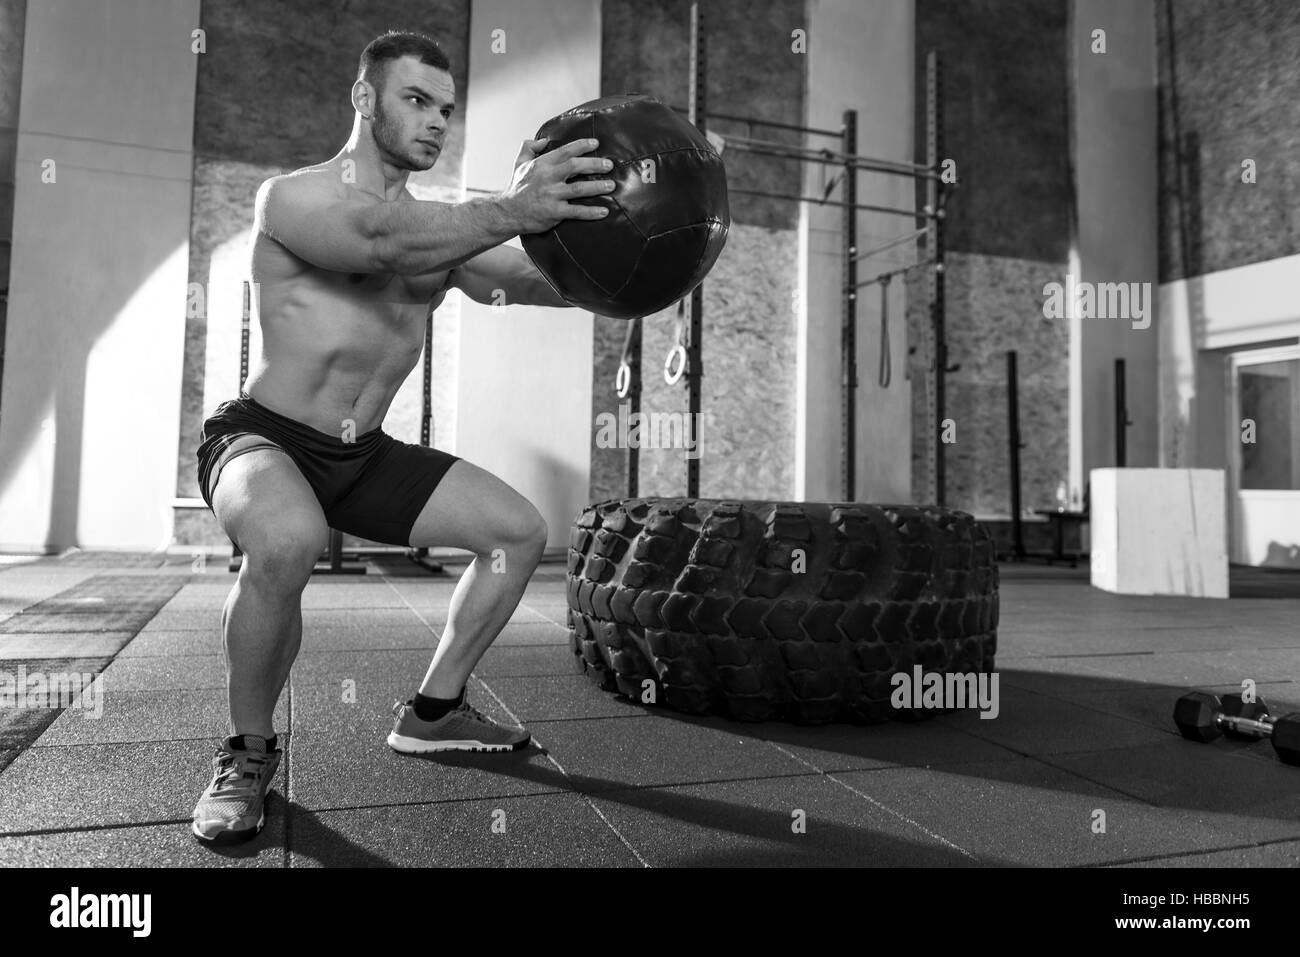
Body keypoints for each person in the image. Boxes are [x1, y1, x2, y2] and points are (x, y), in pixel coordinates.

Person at [190, 30, 614, 844]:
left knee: (516, 534)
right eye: (415, 100)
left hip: (364, 453)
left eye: (446, 110)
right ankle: (245, 751)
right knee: (288, 538)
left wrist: (637, 260)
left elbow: (541, 285)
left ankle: (434, 709)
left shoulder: (441, 234)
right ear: (364, 99)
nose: (435, 122)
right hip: (263, 439)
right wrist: (514, 209)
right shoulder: (293, 199)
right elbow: (378, 243)